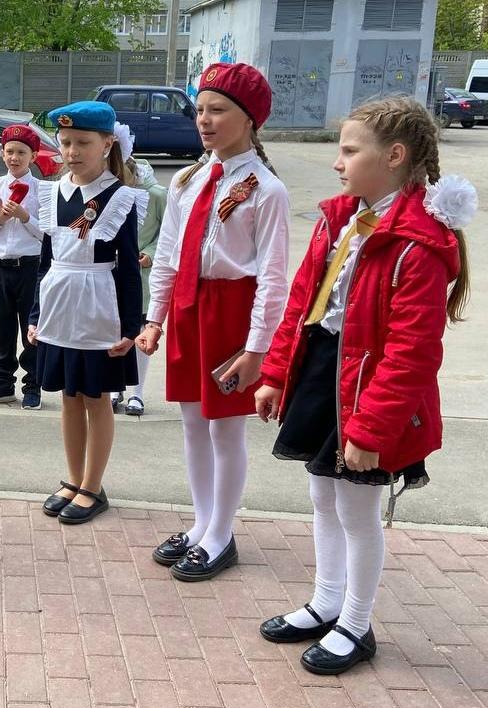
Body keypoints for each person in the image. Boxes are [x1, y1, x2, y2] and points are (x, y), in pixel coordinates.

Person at [254, 95, 473, 675]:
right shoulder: (342, 219)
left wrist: (371, 426)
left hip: (370, 391)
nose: (337, 162)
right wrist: (277, 373)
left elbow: (413, 354)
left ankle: (355, 621)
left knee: (356, 508)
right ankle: (326, 600)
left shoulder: (417, 246)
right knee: (321, 494)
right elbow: (304, 301)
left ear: (395, 156)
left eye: (350, 150)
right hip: (327, 374)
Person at [135, 63, 289, 581]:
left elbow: (271, 277)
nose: (204, 119)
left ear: (249, 120)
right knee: (192, 425)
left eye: (218, 110)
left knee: (225, 430)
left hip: (231, 311)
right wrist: (154, 316)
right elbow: (171, 256)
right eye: (200, 109)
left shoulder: (267, 190)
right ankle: (202, 524)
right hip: (188, 306)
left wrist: (257, 348)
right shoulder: (188, 179)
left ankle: (222, 533)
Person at [29, 102, 144, 525]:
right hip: (59, 305)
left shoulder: (120, 197)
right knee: (68, 397)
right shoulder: (53, 192)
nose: (72, 151)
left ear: (107, 143)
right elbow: (46, 260)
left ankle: (93, 487)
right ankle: (74, 479)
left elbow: (129, 267)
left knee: (96, 398)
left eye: (83, 143)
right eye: (65, 143)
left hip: (99, 307)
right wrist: (35, 315)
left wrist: (133, 326)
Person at [0, 124, 44, 410]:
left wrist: (26, 216)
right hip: (2, 267)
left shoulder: (42, 190)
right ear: (2, 155)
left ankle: (33, 385)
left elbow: (48, 235)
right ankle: (2, 383)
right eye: (10, 152)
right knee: (3, 328)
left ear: (34, 156)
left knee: (31, 328)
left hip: (31, 266)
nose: (15, 158)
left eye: (21, 153)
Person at [111, 154, 166, 417]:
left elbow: (168, 232)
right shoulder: (110, 194)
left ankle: (137, 392)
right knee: (114, 330)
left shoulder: (156, 195)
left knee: (141, 333)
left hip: (143, 274)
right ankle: (114, 388)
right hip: (111, 272)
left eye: (123, 175)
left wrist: (151, 253)